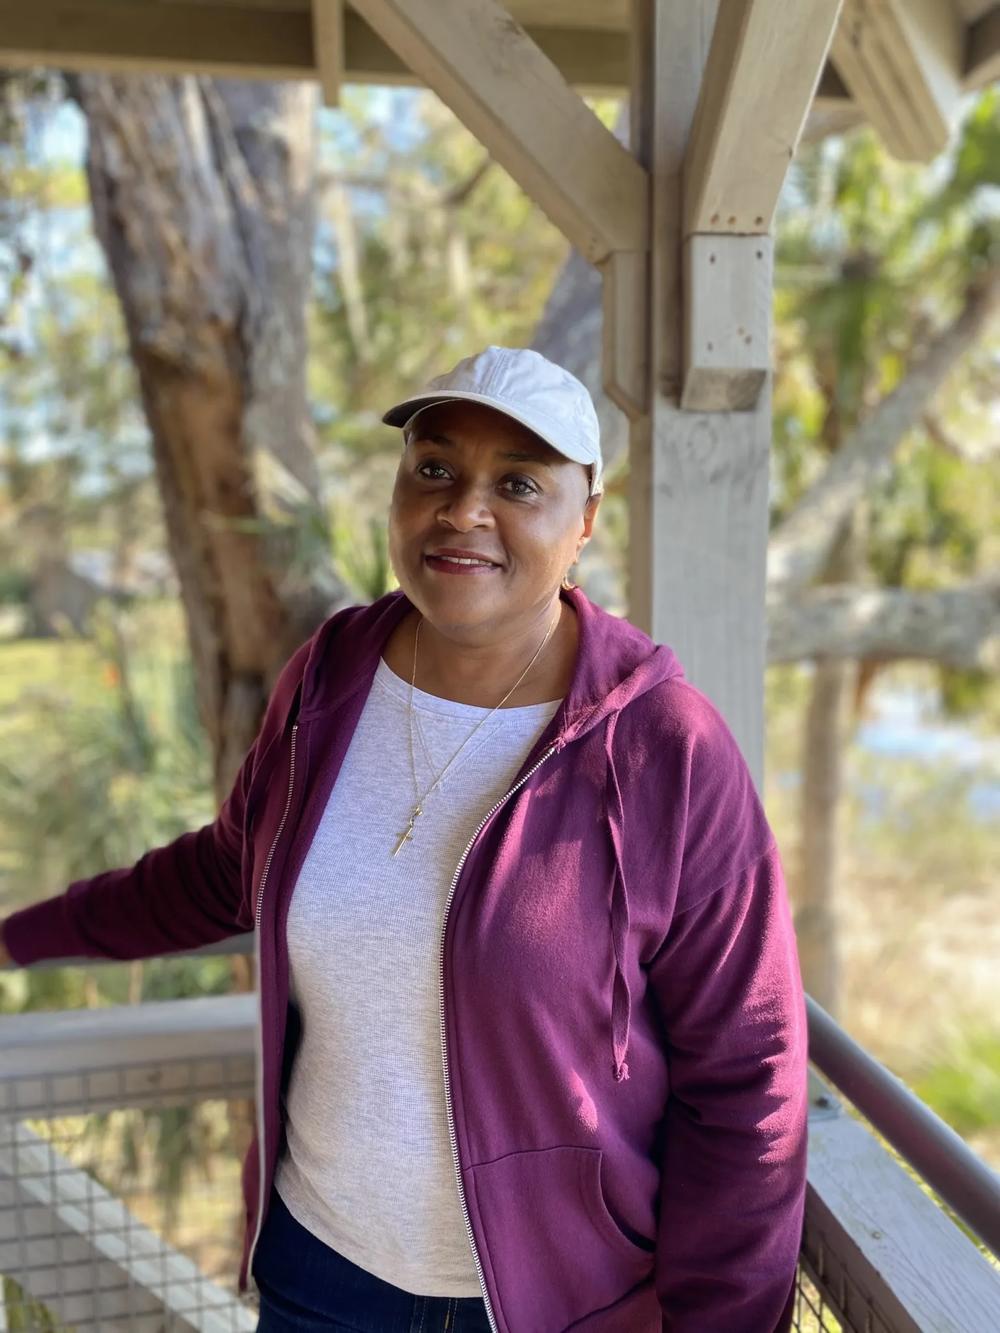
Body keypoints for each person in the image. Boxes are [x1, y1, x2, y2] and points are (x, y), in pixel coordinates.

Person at [1, 346, 808, 1333]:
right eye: (434, 467)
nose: (463, 510)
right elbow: (227, 870)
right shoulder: (331, 674)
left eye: (518, 483)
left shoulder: (663, 747)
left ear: (584, 520)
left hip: (555, 1305)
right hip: (318, 1275)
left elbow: (748, 1074)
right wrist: (18, 935)